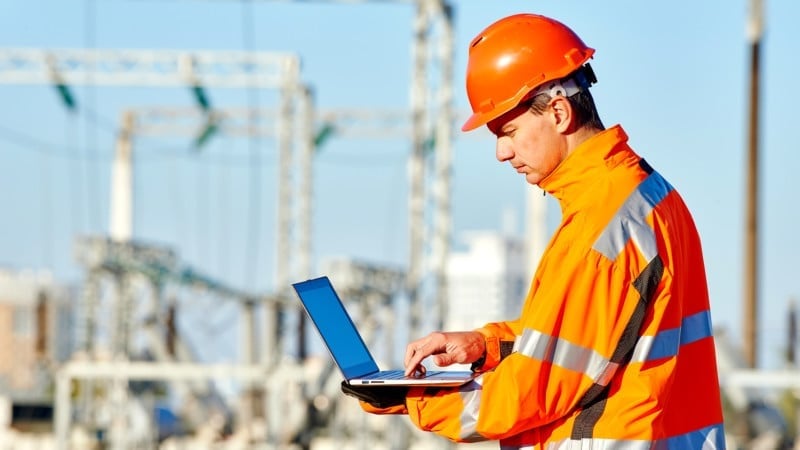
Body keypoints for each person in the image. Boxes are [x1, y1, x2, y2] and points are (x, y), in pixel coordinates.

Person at [342, 12, 726, 449]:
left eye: (508, 131)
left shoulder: (603, 225)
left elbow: (530, 393)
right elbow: (583, 341)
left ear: (559, 112)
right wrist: (484, 347)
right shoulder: (647, 194)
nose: (502, 152)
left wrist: (415, 396)